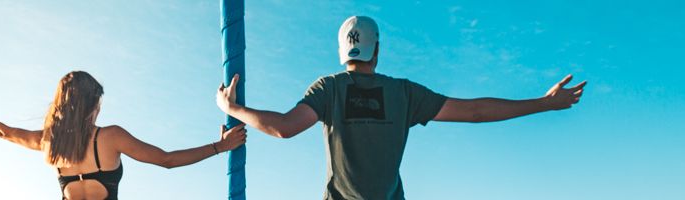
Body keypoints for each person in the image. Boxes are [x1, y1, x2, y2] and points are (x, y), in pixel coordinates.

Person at [215, 16, 586, 200]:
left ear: (343, 52)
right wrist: (544, 103)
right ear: (377, 50)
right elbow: (475, 111)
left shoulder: (329, 88)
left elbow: (284, 127)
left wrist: (233, 107)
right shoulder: (404, 94)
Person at [0, 71, 247, 200]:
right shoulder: (109, 137)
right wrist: (219, 146)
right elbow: (166, 160)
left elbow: (5, 132)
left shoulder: (50, 142)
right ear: (92, 105)